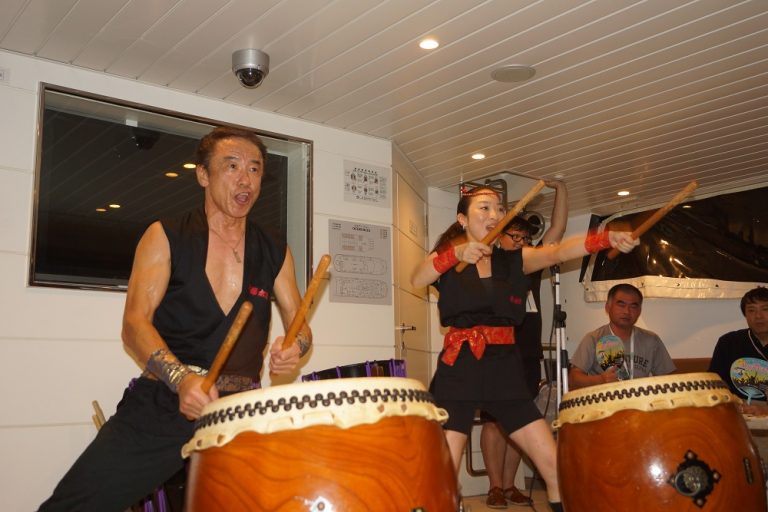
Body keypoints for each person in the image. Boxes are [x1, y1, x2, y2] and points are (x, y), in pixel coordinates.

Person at [39, 126, 312, 512]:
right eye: (232, 166)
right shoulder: (165, 236)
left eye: (254, 169)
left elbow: (300, 325)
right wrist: (182, 379)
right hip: (164, 401)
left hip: (239, 408)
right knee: (74, 504)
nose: (245, 179)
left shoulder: (274, 249)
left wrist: (294, 347)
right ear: (203, 175)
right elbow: (134, 324)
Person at [411, 185, 638, 512]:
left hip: (505, 367)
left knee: (555, 468)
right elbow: (417, 279)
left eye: (499, 208)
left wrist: (606, 239)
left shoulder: (515, 260)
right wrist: (454, 255)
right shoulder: (447, 257)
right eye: (484, 208)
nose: (494, 214)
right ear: (462, 219)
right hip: (459, 366)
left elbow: (558, 252)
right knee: (442, 476)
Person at [480, 181, 567, 508]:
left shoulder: (529, 263)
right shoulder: (489, 261)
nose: (520, 242)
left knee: (520, 417)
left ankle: (510, 485)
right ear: (499, 237)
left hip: (527, 351)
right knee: (493, 419)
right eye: (513, 236)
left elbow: (557, 230)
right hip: (496, 351)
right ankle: (494, 486)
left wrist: (562, 189)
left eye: (525, 238)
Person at [569, 283, 674, 390]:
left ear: (639, 311)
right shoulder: (593, 339)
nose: (627, 311)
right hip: (605, 399)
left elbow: (669, 379)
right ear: (608, 307)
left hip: (640, 398)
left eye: (633, 306)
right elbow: (573, 378)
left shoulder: (651, 340)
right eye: (621, 305)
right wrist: (600, 380)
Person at [709, 286, 768, 415]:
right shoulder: (729, 342)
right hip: (737, 409)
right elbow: (715, 383)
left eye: (765, 309)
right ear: (745, 315)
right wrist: (732, 403)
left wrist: (764, 410)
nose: (758, 316)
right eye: (751, 310)